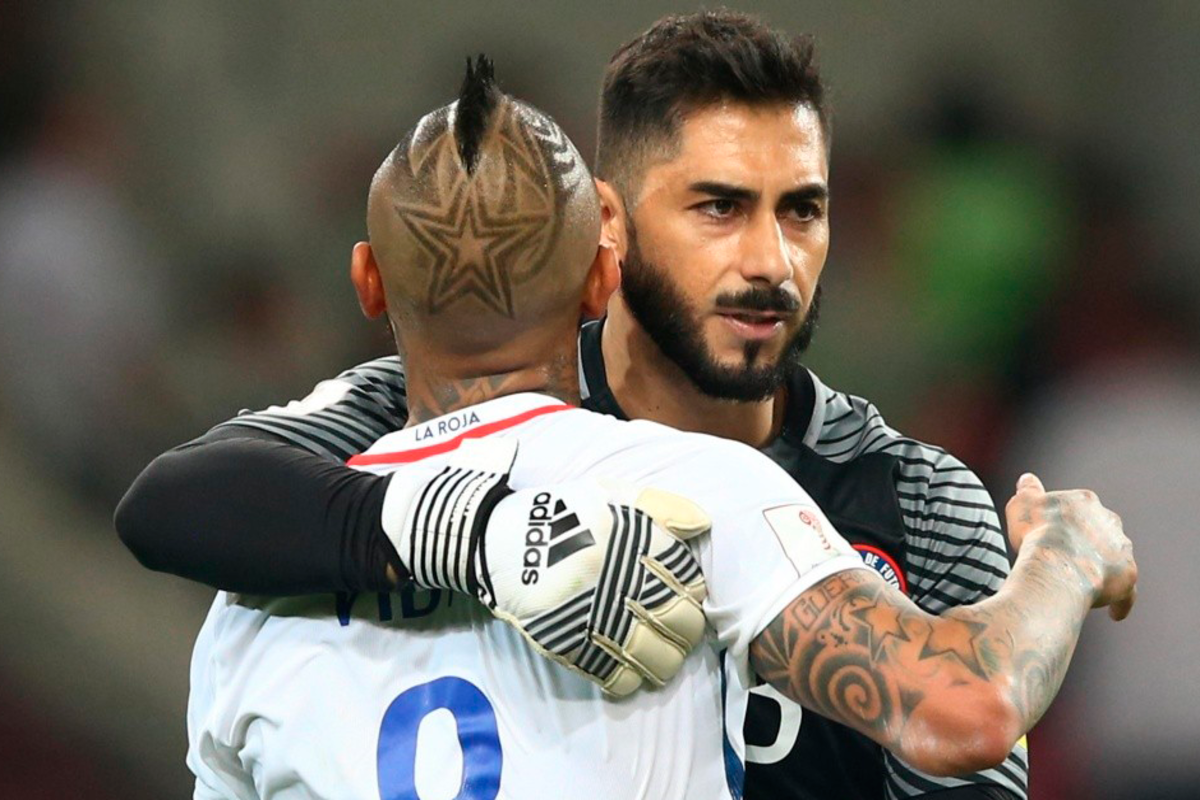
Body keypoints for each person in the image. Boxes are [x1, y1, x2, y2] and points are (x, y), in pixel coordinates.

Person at [116, 12, 1136, 800]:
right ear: (607, 237)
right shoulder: (433, 430)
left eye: (804, 211)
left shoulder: (920, 500)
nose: (770, 262)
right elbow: (177, 499)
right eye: (719, 206)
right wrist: (483, 531)